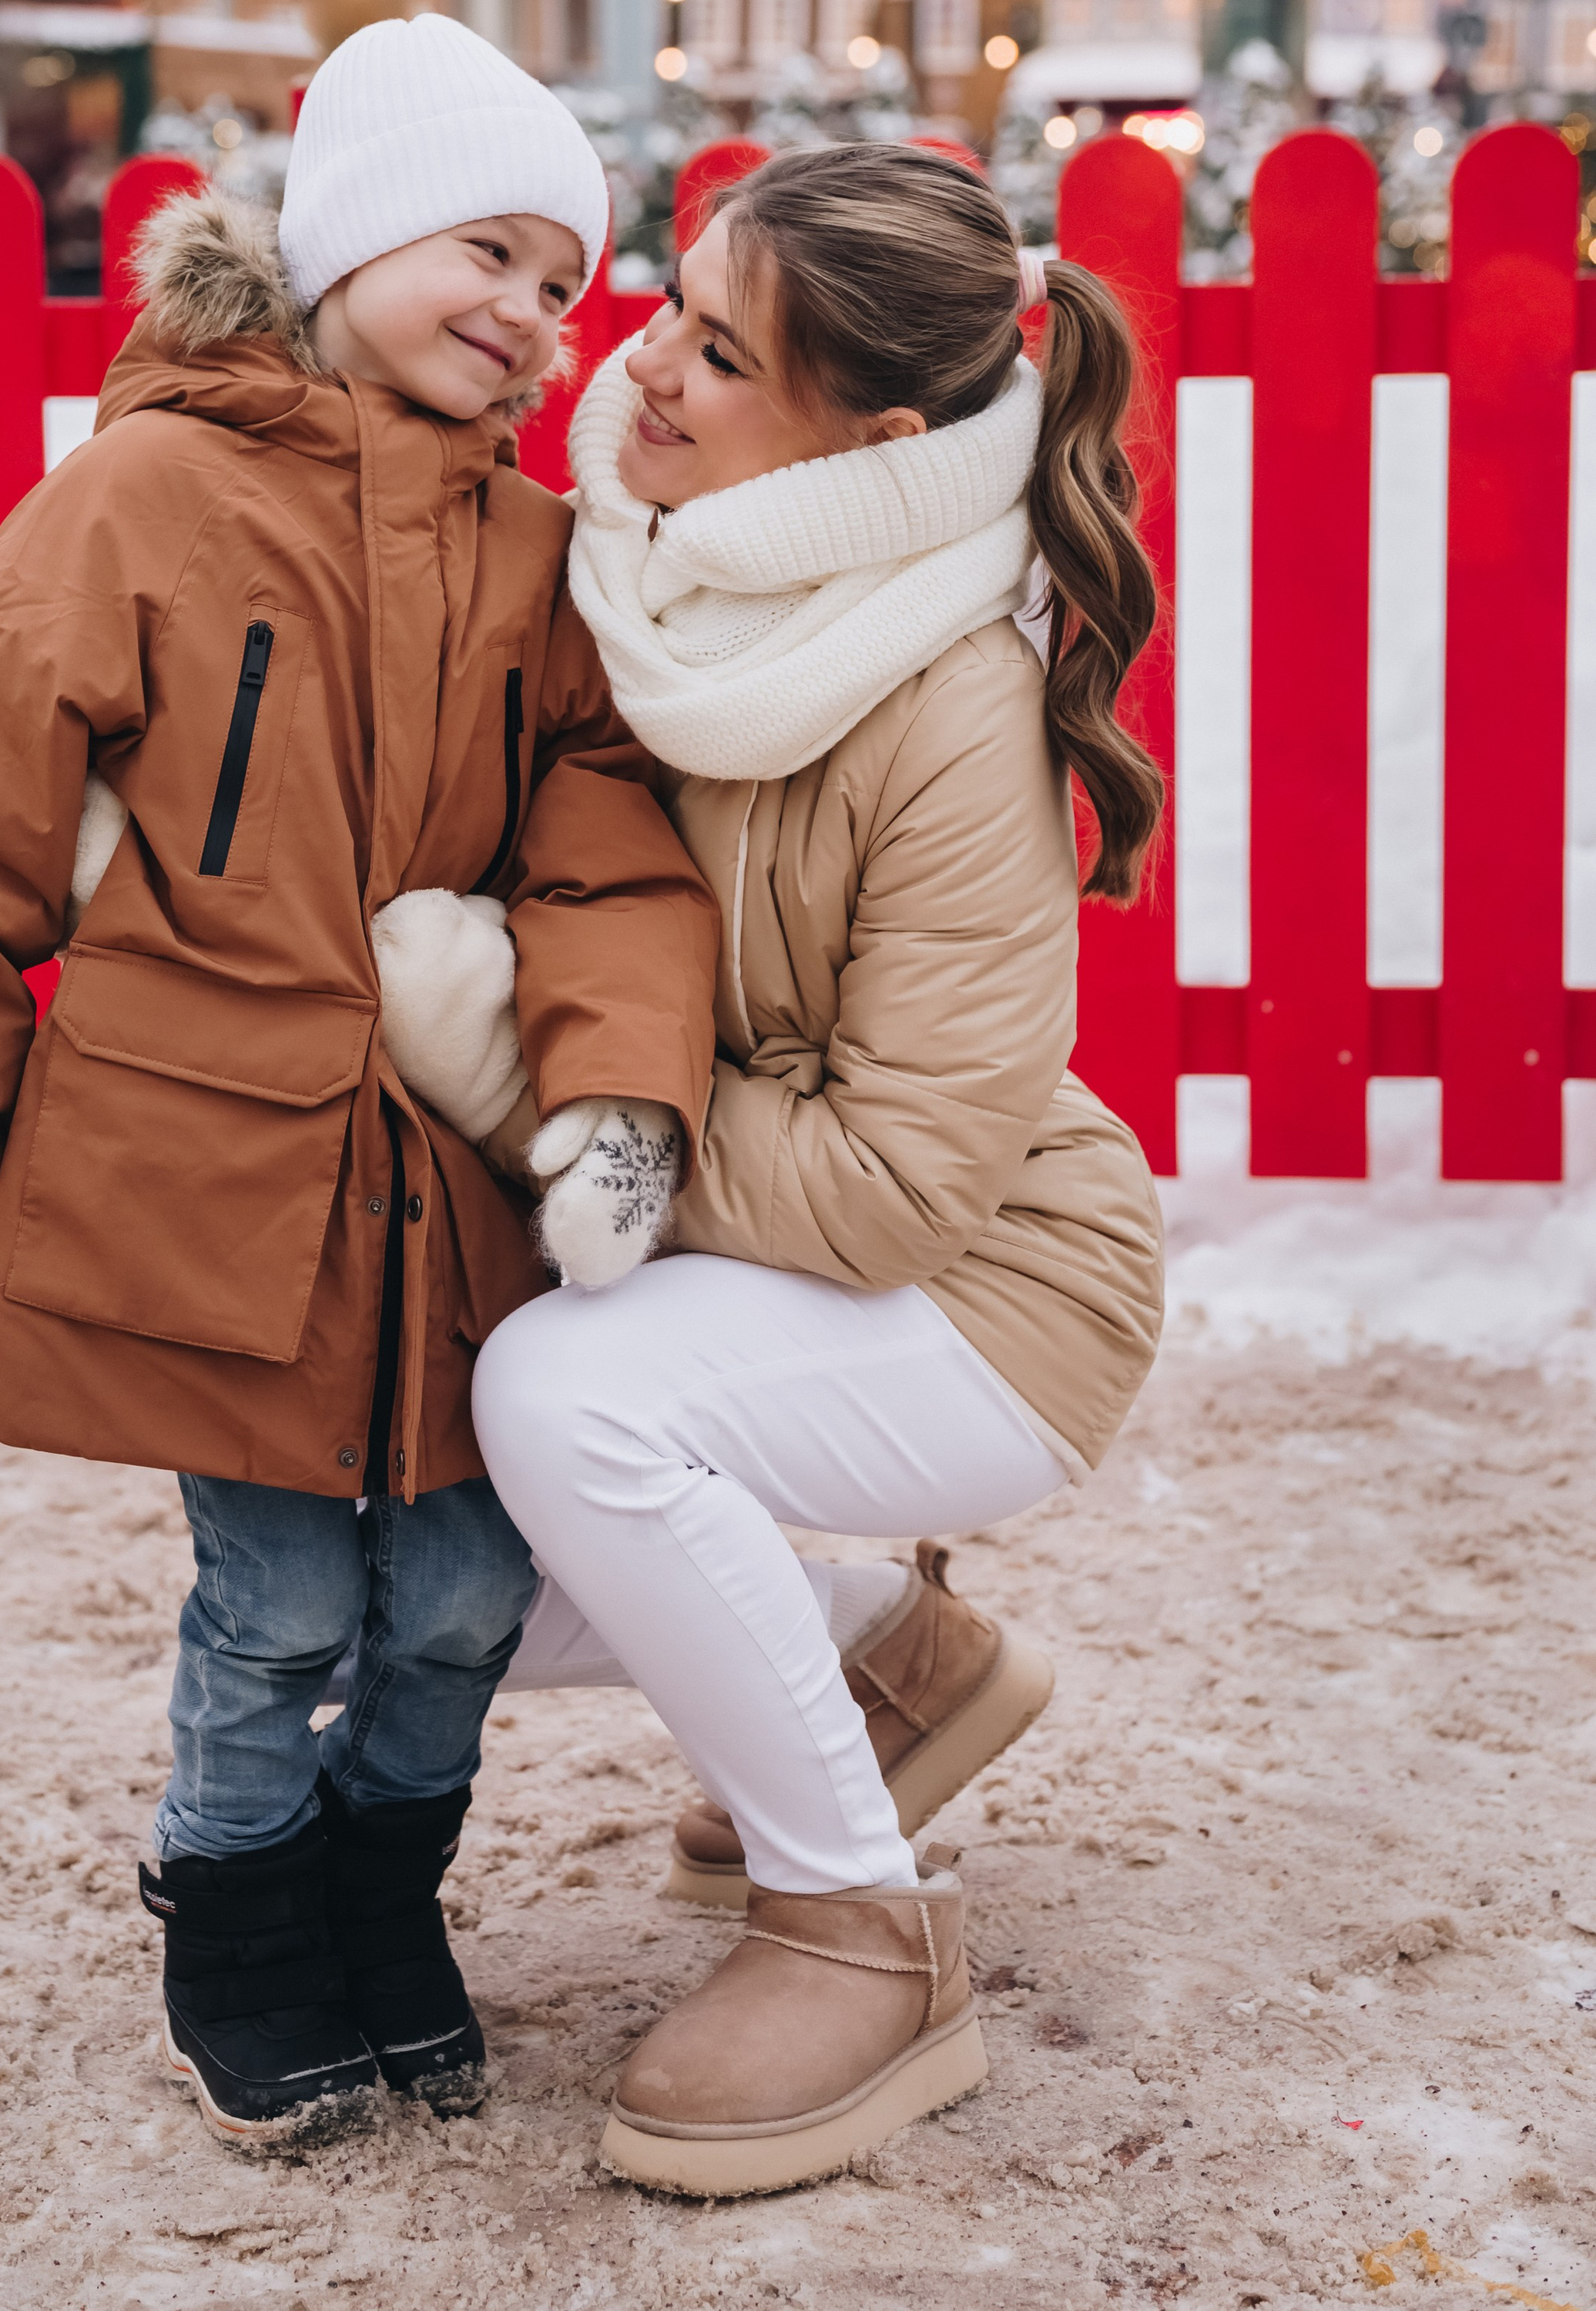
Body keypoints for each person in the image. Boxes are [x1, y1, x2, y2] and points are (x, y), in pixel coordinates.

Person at [0, 14, 719, 2155]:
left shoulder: (531, 561)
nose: (525, 316)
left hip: (447, 1187)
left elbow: (606, 844)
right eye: (484, 254)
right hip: (205, 1172)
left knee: (468, 1594)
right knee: (284, 1603)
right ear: (353, 238)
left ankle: (382, 1903)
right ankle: (235, 1924)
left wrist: (608, 1089)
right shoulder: (143, 494)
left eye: (559, 284)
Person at [461, 143, 1167, 2196]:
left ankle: (863, 1931)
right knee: (383, 1526)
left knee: (565, 1404)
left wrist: (538, 1080)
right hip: (725, 1228)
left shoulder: (949, 696)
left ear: (869, 443)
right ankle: (878, 1653)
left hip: (985, 1296)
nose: (650, 374)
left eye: (723, 358)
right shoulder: (637, 561)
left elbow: (887, 1190)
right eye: (674, 312)